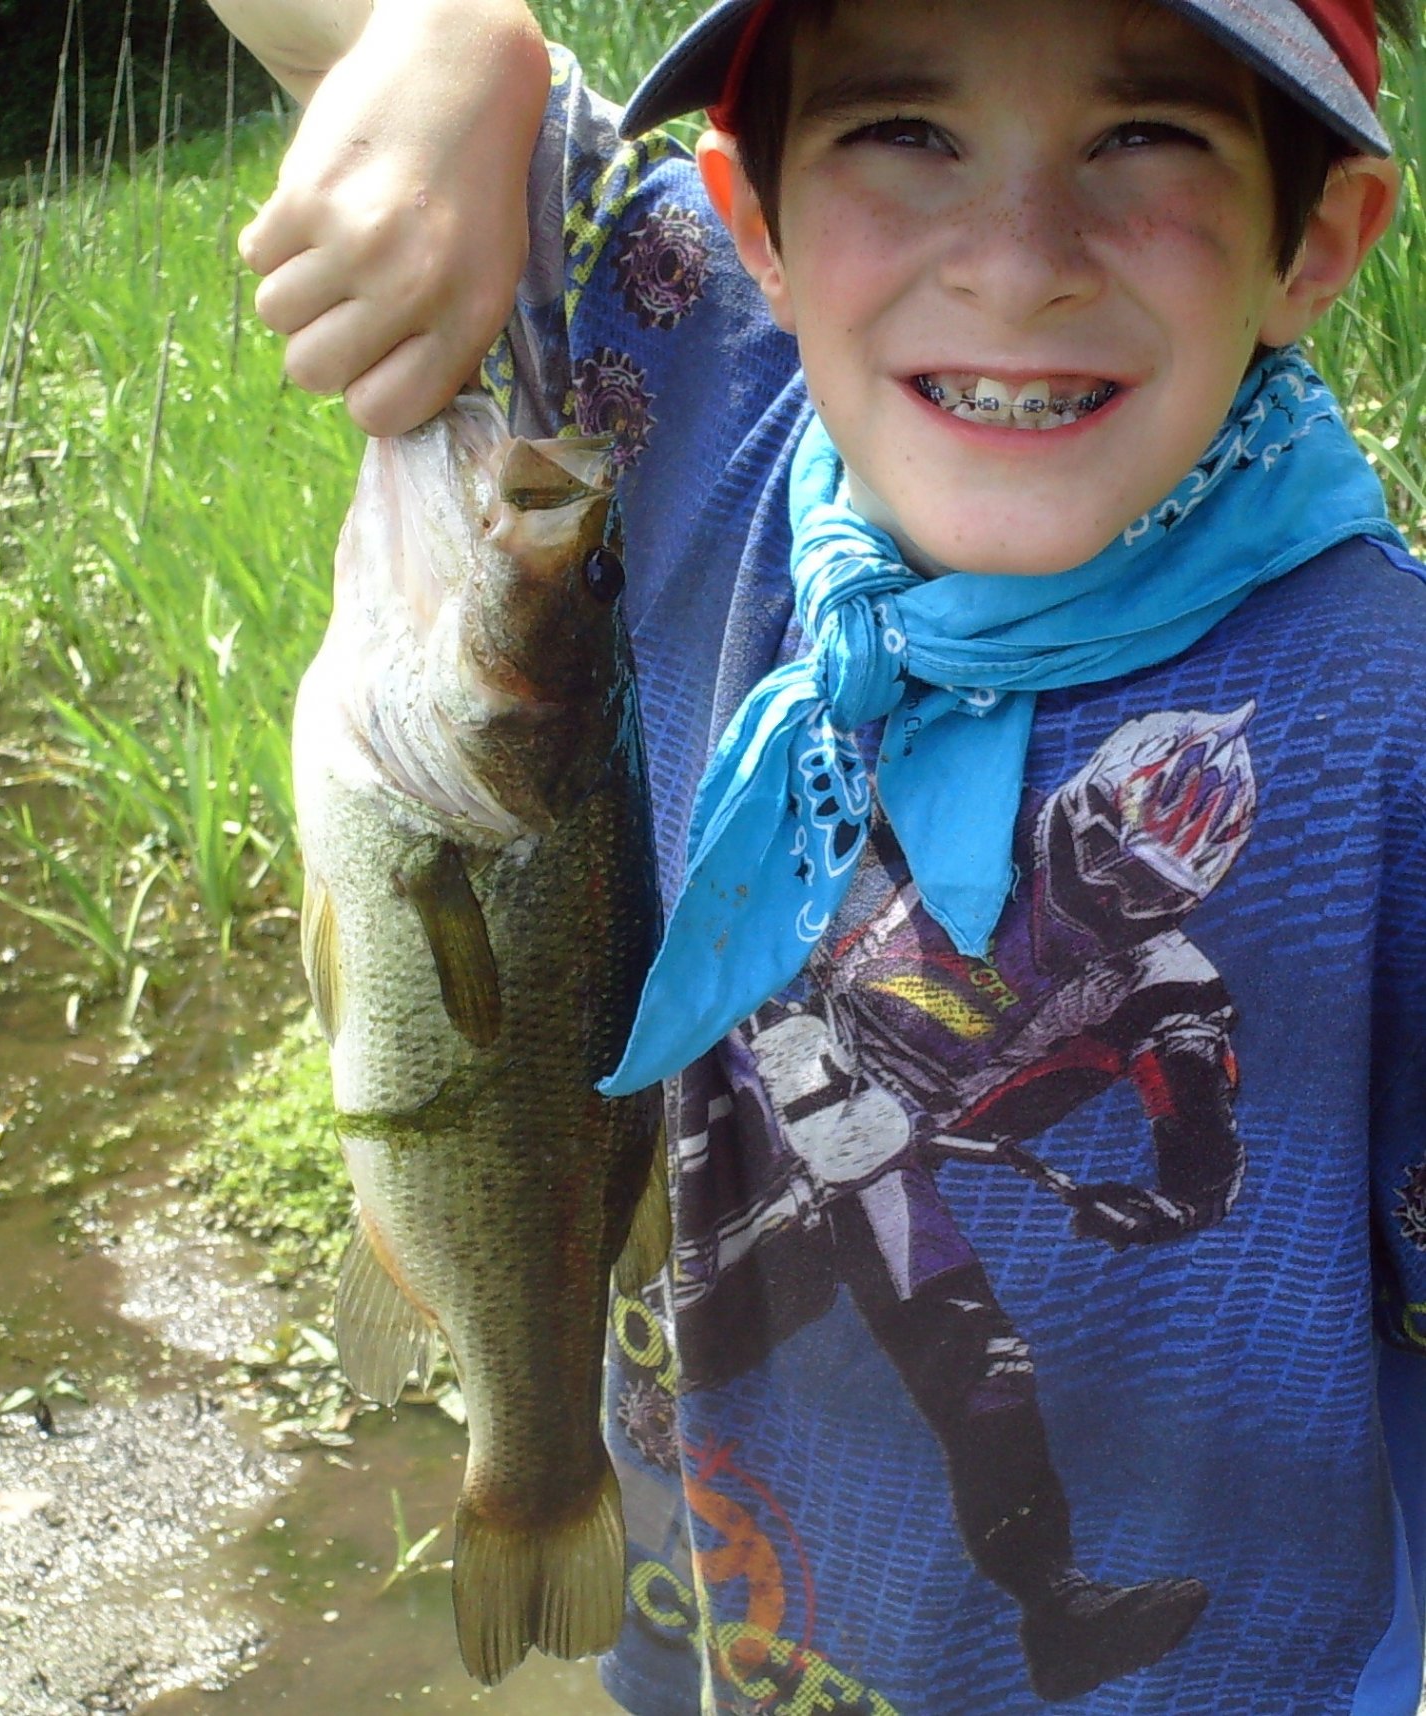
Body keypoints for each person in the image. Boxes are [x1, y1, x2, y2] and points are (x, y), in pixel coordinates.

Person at [207, 0, 1426, 1710]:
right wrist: (444, 43)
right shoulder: (698, 389)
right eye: (902, 133)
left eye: (1143, 135)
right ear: (756, 227)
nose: (1015, 264)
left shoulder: (1392, 733)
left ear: (1317, 236)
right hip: (719, 1628)